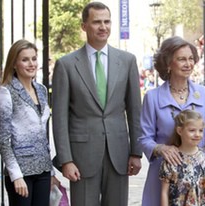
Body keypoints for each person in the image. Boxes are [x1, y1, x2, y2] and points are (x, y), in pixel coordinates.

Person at [51, 2, 142, 206]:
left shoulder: (127, 61)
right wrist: (66, 160)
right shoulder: (66, 65)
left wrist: (136, 152)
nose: (103, 27)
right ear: (84, 26)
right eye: (97, 22)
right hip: (81, 157)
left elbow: (135, 110)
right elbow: (59, 118)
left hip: (118, 154)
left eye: (107, 21)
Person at [138, 36, 205, 206]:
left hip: (197, 180)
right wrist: (160, 148)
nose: (188, 64)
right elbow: (144, 138)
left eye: (190, 59)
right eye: (181, 59)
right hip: (163, 177)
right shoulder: (152, 97)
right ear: (167, 63)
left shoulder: (204, 94)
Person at [0, 39, 59, 205]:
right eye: (25, 60)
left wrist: (51, 172)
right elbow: (3, 142)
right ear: (14, 64)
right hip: (20, 171)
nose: (31, 64)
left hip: (43, 170)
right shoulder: (6, 93)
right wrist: (16, 175)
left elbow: (42, 135)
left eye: (34, 59)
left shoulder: (42, 90)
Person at [159, 109, 205, 206]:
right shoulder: (171, 159)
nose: (197, 134)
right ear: (180, 131)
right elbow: (164, 192)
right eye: (192, 130)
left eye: (201, 130)